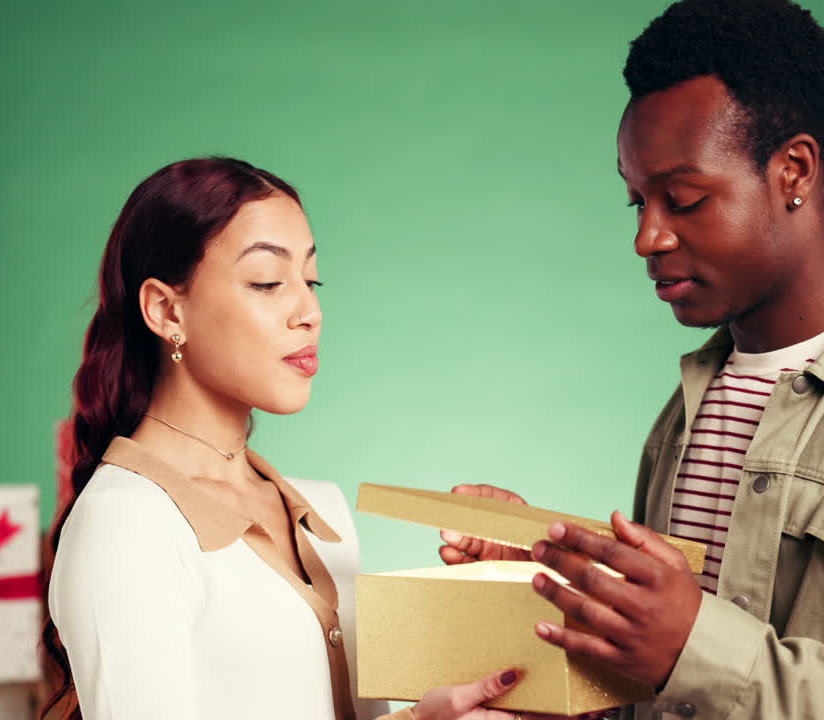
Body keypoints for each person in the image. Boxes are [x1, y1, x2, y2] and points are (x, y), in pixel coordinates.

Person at [439, 1, 824, 717]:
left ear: (794, 170)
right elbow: (662, 690)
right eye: (636, 201)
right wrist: (551, 583)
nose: (647, 236)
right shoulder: (688, 413)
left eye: (682, 199)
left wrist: (697, 649)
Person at [42, 157, 528, 720]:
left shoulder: (325, 513)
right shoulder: (123, 523)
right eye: (268, 282)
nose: (311, 312)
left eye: (311, 280)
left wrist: (500, 595)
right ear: (166, 310)